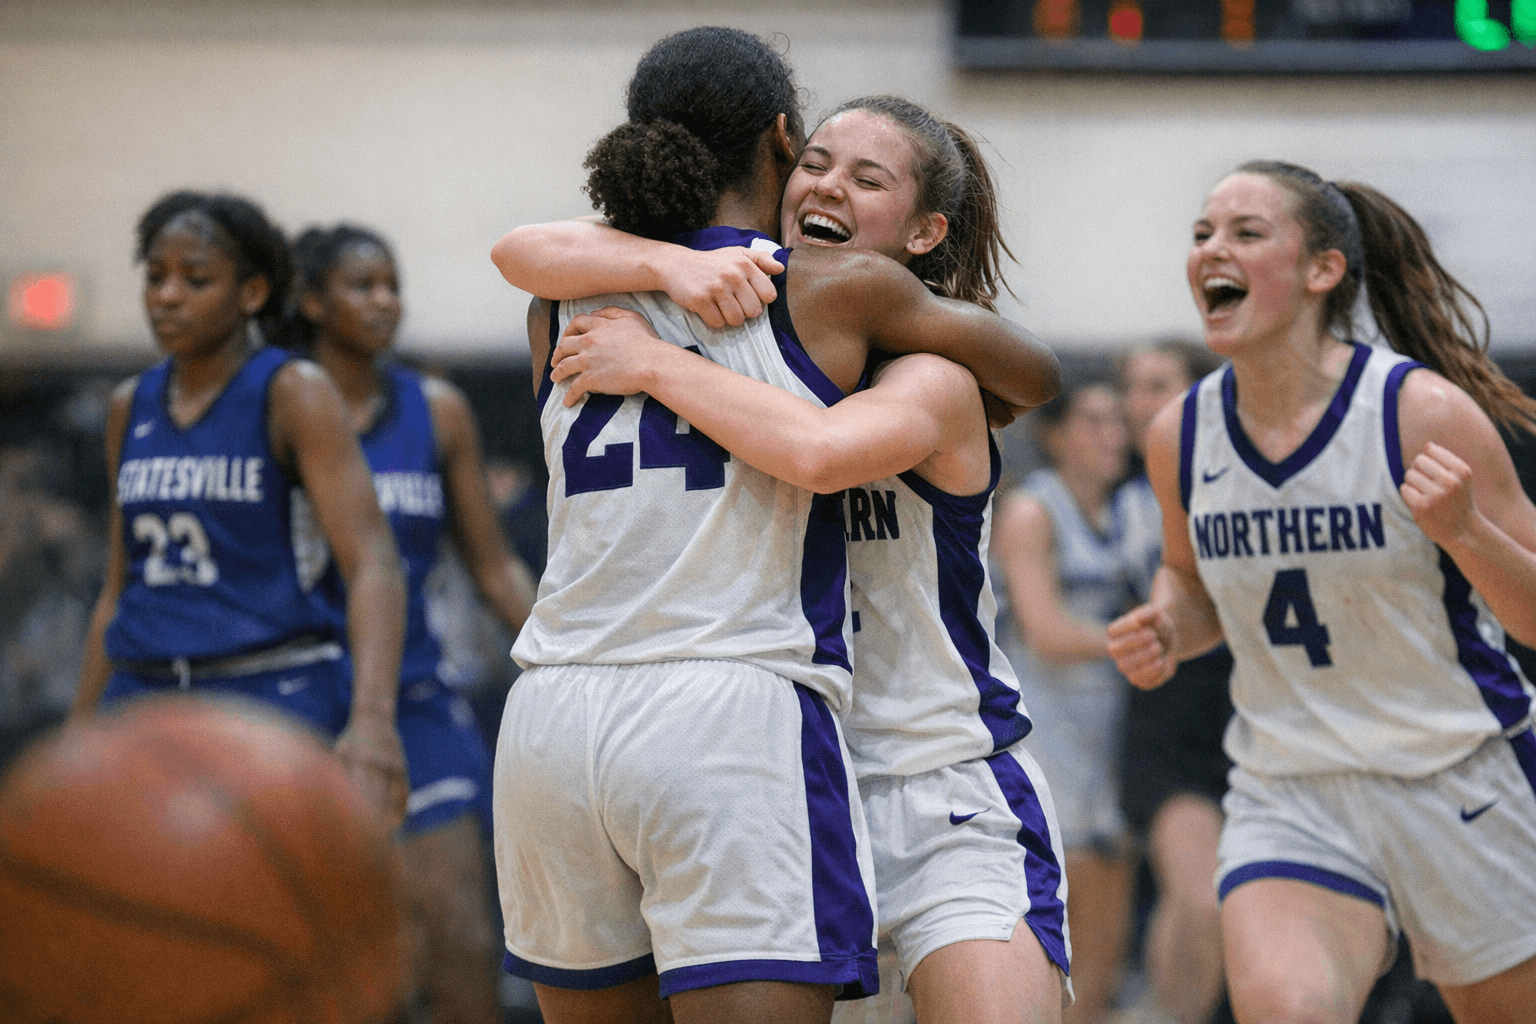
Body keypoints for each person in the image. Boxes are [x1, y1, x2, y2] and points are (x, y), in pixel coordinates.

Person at [490, 30, 1058, 1024]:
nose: (827, 185)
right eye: (821, 161)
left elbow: (833, 447)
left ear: (924, 230)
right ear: (782, 151)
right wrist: (662, 266)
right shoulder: (784, 294)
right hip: (754, 736)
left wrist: (658, 354)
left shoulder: (918, 371)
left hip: (925, 774)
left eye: (865, 176)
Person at [1107, 160, 1536, 1024]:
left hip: (1456, 773)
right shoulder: (1180, 432)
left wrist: (1466, 532)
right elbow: (1191, 585)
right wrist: (1167, 625)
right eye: (1201, 234)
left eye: (1244, 232)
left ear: (1323, 269)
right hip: (1290, 783)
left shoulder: (1420, 412)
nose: (1210, 251)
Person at [71, 189, 408, 823]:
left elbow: (373, 563)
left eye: (195, 279)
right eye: (156, 277)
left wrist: (371, 720)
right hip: (142, 690)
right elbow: (118, 586)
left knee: (264, 911)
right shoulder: (129, 405)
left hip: (270, 687)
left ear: (251, 293)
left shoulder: (294, 392)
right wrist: (79, 733)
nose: (168, 295)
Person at [286, 223, 534, 1024]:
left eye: (392, 283)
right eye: (363, 285)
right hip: (294, 693)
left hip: (414, 693)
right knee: (311, 946)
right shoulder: (270, 406)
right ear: (312, 301)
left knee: (459, 931)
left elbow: (492, 566)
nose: (385, 300)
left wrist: (570, 664)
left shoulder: (437, 411)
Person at [992, 379, 1134, 1024]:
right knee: (1066, 904)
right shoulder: (1031, 511)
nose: (1114, 434)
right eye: (1095, 420)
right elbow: (1045, 632)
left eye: (1118, 421)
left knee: (1114, 895)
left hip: (1116, 726)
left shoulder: (1137, 510)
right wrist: (1150, 642)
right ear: (1055, 436)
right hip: (1047, 727)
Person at [1113, 339, 1233, 1024]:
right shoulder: (1115, 493)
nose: (1138, 402)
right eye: (1132, 385)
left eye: (1157, 384)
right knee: (1199, 897)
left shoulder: (1241, 482)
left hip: (1256, 714)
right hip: (1164, 718)